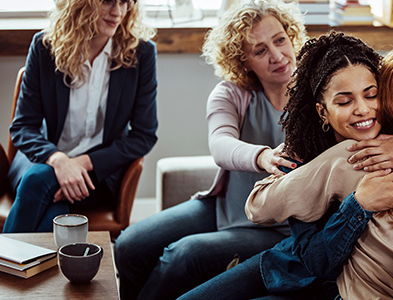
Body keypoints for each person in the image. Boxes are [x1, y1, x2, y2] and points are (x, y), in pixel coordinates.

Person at [178, 33, 393, 299]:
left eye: (372, 95)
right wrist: (359, 205)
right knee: (187, 261)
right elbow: (287, 232)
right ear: (323, 111)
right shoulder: (321, 154)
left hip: (329, 283)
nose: (362, 109)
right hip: (292, 265)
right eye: (344, 101)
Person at [113, 1, 308, 299]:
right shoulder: (230, 93)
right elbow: (220, 145)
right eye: (260, 50)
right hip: (226, 207)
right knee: (129, 244)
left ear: (291, 35)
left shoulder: (318, 94)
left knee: (183, 254)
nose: (277, 56)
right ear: (243, 61)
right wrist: (262, 156)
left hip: (280, 229)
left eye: (280, 40)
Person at [3, 0, 158, 233]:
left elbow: (143, 136)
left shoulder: (142, 53)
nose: (117, 12)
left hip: (97, 175)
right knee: (43, 187)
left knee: (42, 189)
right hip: (43, 160)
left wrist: (80, 165)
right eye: (107, 1)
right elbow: (23, 126)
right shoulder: (45, 47)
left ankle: (6, 266)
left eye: (125, 2)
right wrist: (59, 161)